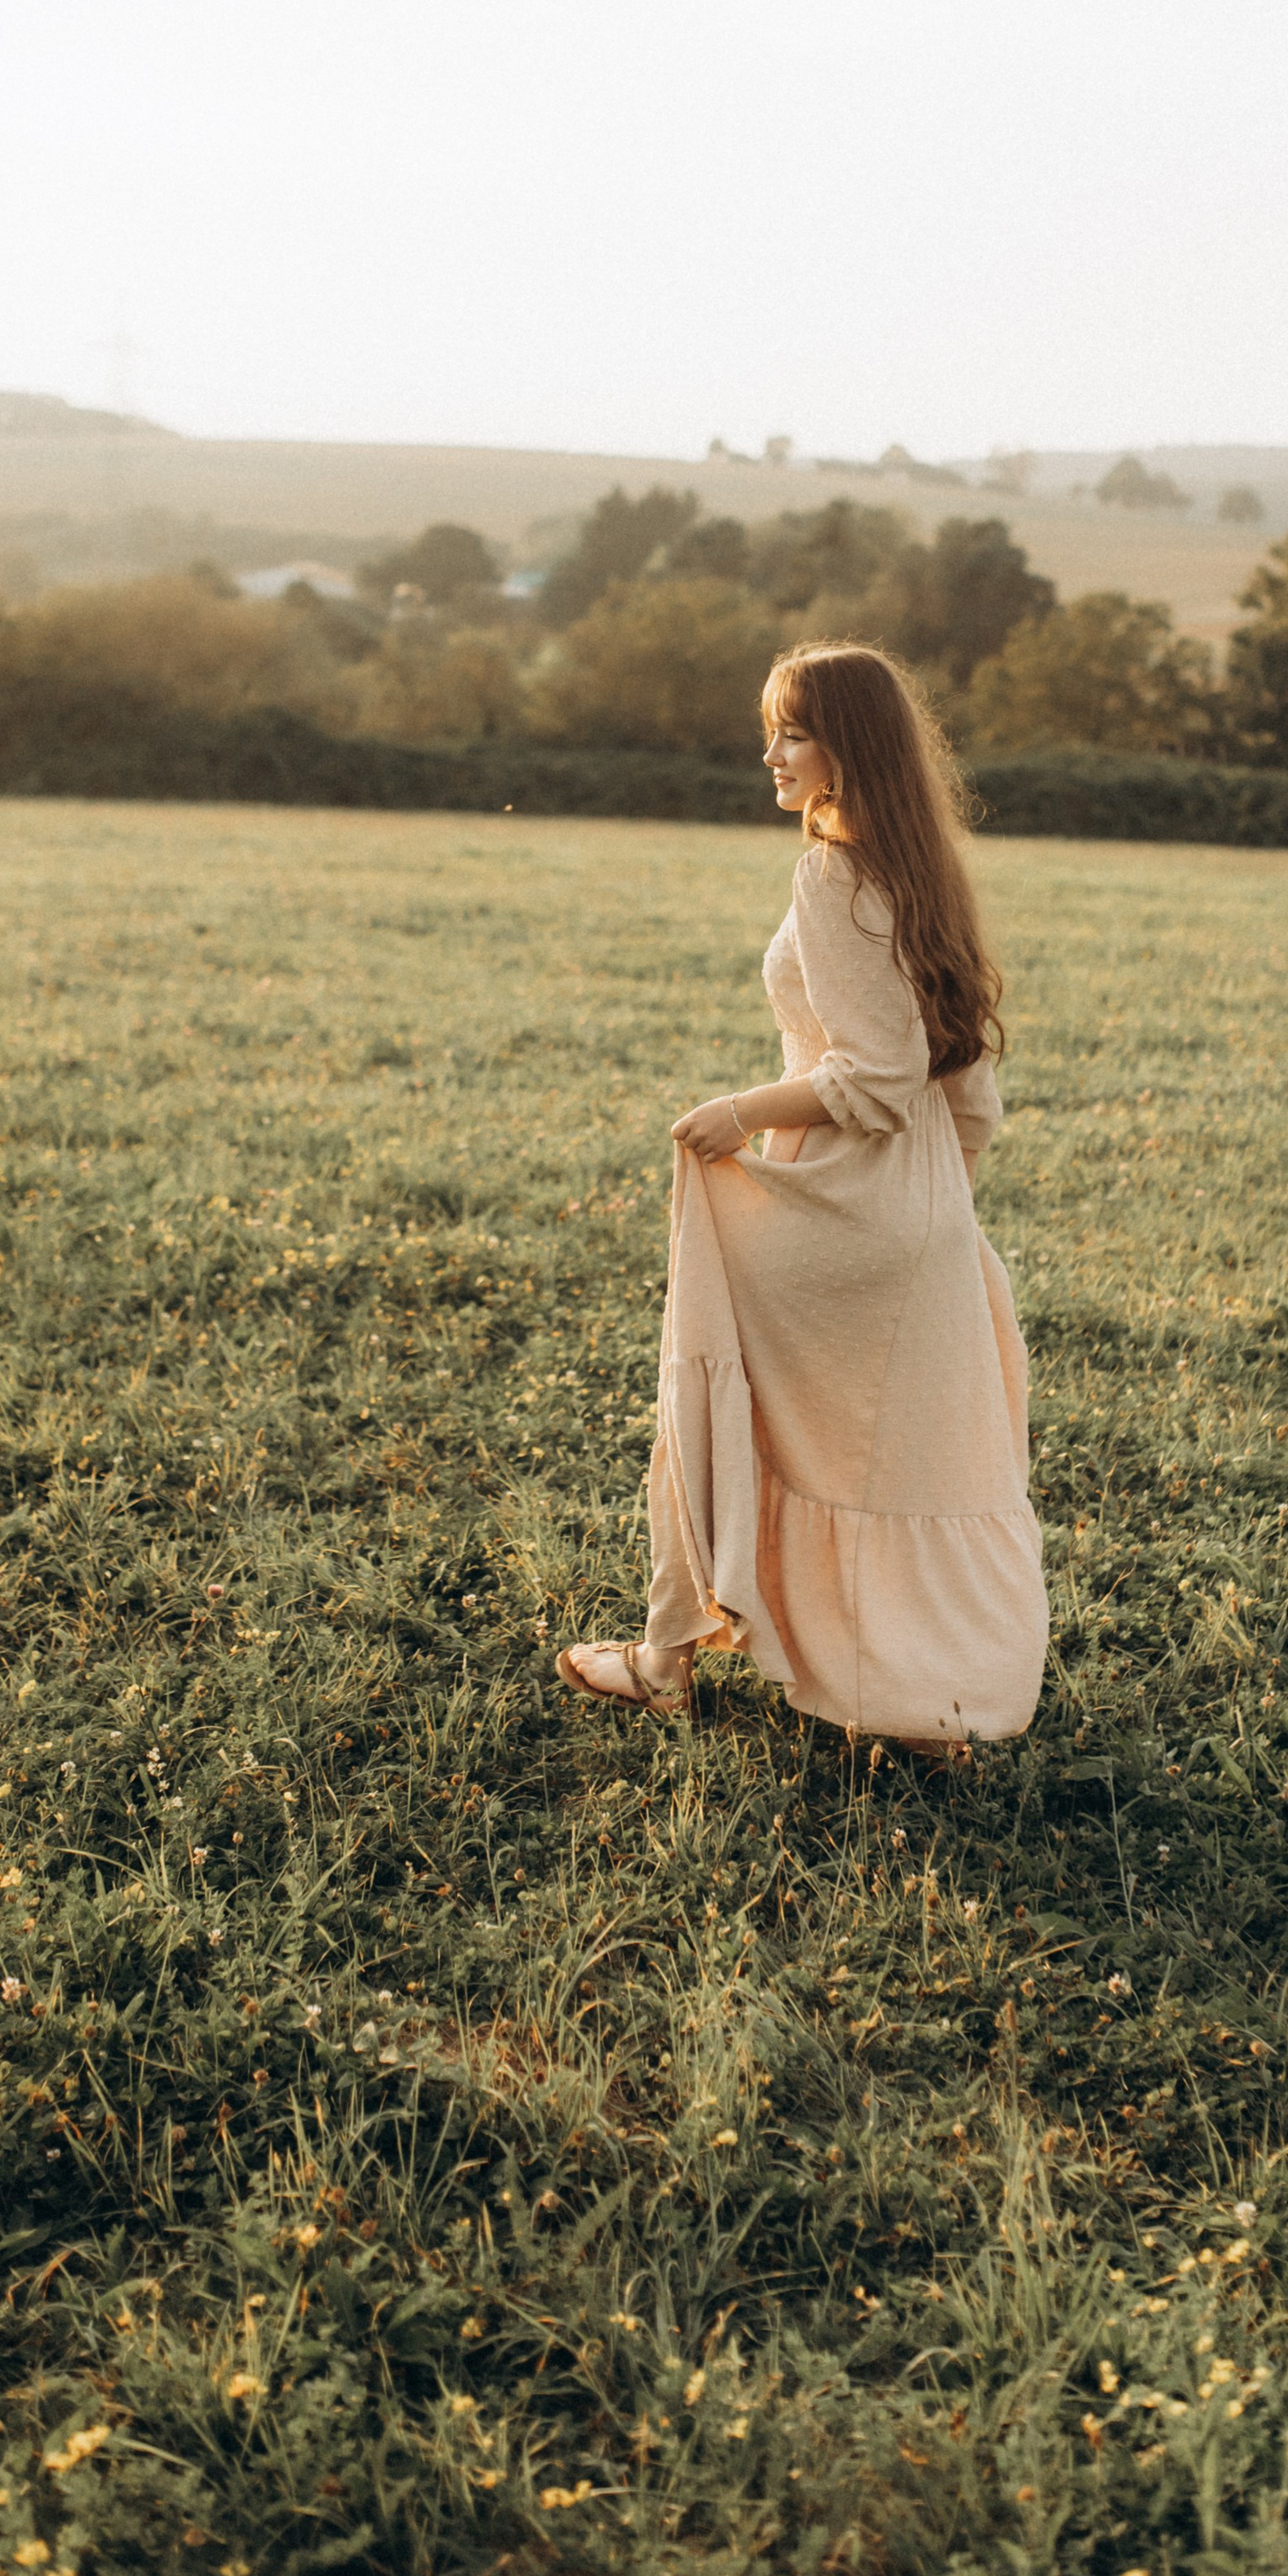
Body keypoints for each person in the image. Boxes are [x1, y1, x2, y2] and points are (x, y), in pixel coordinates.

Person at [556, 639, 1047, 1755]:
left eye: (792, 731)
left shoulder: (832, 871)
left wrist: (738, 1115)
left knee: (711, 1382)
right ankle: (935, 1701)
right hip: (917, 1204)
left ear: (846, 749)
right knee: (902, 1455)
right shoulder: (922, 868)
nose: (770, 752)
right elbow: (966, 1090)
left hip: (841, 1194)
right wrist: (936, 1219)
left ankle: (665, 1658)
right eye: (771, 728)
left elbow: (870, 1075)